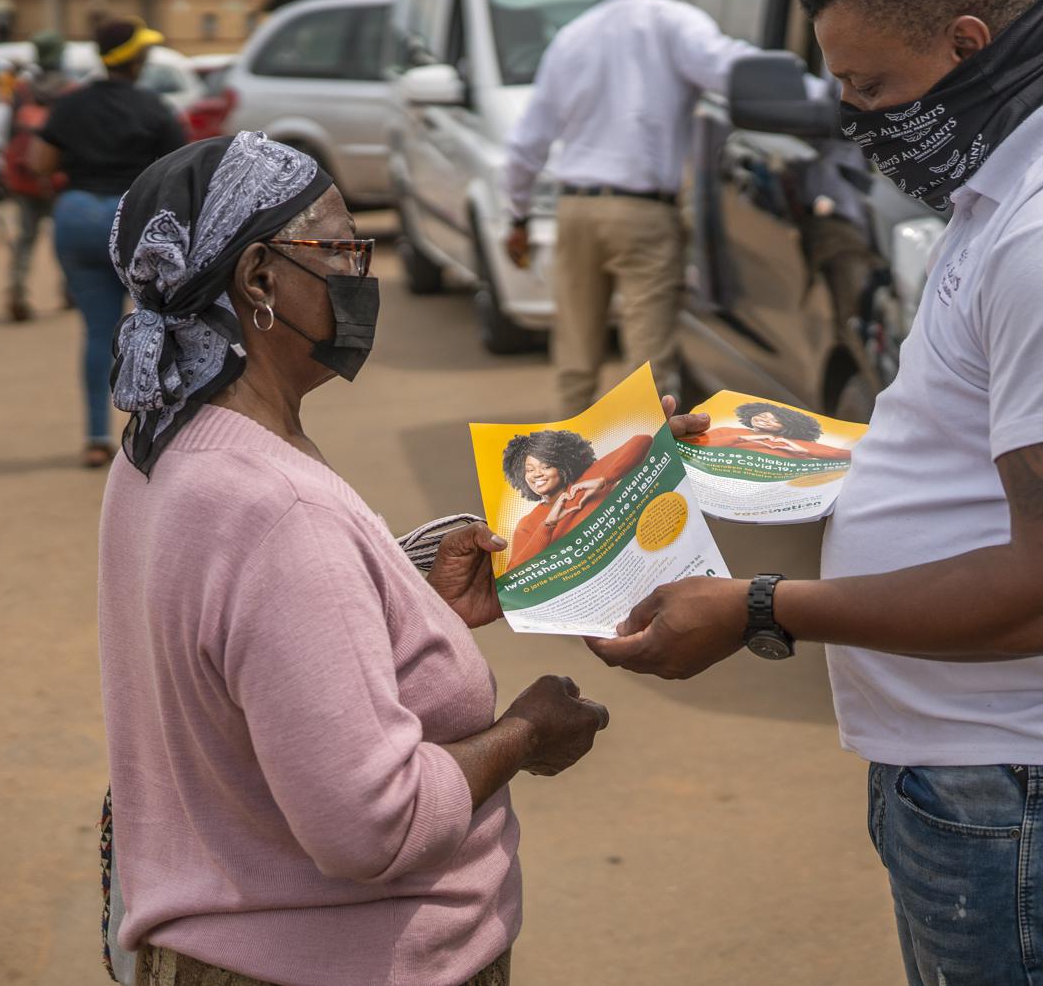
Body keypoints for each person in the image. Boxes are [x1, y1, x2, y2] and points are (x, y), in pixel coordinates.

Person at [585, 0, 1043, 986]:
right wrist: (759, 439)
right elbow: (977, 443)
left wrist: (757, 607)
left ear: (969, 41)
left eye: (872, 85)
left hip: (1028, 780)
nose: (856, 119)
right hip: (1000, 768)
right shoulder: (1029, 177)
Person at [100, 131, 619, 986]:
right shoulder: (277, 509)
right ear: (260, 278)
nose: (360, 273)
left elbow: (249, 655)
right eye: (339, 248)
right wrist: (526, 733)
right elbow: (371, 828)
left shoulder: (162, 446)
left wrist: (410, 597)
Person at [501, 0, 764, 413]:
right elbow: (733, 70)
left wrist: (517, 216)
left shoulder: (571, 36)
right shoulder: (674, 21)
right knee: (648, 369)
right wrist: (832, 93)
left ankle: (572, 471)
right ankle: (647, 482)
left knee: (576, 354)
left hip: (576, 209)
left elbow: (525, 144)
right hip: (644, 215)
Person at [27, 18, 189, 467]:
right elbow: (183, 170)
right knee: (152, 329)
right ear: (135, 60)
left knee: (98, 332)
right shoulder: (154, 107)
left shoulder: (69, 105)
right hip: (133, 221)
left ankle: (97, 436)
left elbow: (38, 162)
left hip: (75, 215)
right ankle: (149, 435)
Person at [498, 428, 653, 568]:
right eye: (530, 470)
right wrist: (548, 525)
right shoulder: (528, 524)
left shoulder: (588, 481)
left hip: (635, 559)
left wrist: (603, 480)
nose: (537, 474)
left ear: (563, 465)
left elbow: (643, 440)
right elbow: (514, 574)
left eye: (546, 467)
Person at [1, 31, 70, 323]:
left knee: (25, 238)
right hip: (60, 179)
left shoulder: (23, 90)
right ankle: (71, 291)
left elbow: (9, 135)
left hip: (24, 177)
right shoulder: (70, 91)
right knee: (65, 240)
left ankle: (17, 290)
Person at [681, 401, 853, 460]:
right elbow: (695, 447)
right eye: (762, 415)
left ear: (786, 429)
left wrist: (804, 450)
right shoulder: (728, 431)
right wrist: (742, 439)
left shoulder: (792, 444)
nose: (764, 418)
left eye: (773, 420)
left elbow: (846, 455)